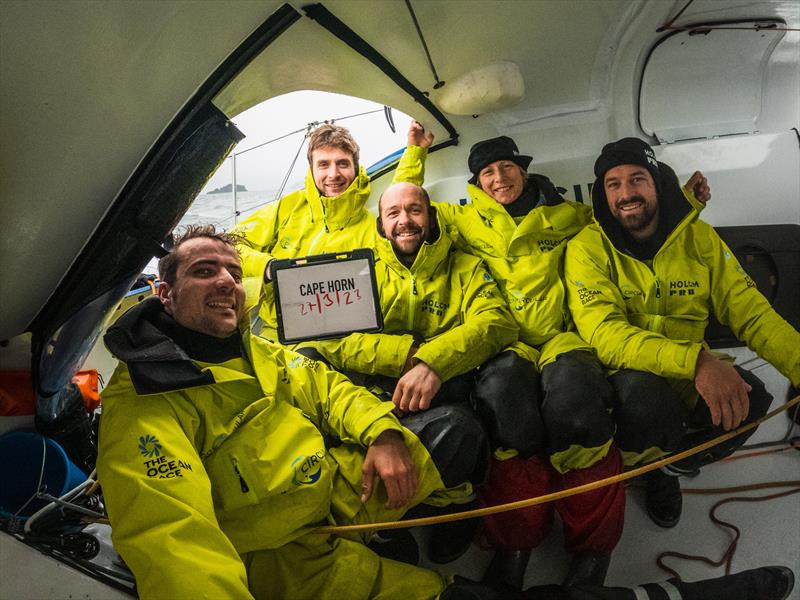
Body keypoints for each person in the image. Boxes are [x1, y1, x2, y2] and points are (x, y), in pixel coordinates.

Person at [96, 224, 795, 600]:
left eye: (228, 270)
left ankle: (433, 526)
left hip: (346, 492)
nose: (224, 282)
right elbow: (172, 540)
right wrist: (410, 353)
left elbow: (321, 383)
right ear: (163, 295)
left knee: (468, 427)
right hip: (287, 557)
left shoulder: (250, 347)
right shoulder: (147, 402)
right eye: (201, 272)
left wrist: (380, 431)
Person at [395, 123, 706, 586]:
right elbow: (407, 206)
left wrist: (687, 203)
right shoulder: (461, 219)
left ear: (522, 171)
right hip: (503, 342)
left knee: (577, 408)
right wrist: (413, 152)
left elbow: (628, 220)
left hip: (565, 336)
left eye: (507, 168)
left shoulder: (568, 215)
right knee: (504, 407)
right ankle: (516, 540)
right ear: (477, 183)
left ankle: (593, 547)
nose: (499, 178)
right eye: (487, 173)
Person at [564, 137, 800, 529]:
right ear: (602, 195)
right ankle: (638, 470)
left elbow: (753, 315)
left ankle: (667, 470)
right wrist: (696, 362)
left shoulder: (700, 239)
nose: (626, 194)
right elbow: (604, 333)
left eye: (637, 179)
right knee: (646, 401)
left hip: (688, 369)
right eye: (613, 184)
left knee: (751, 399)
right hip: (625, 374)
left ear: (658, 183)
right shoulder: (587, 249)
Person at [303, 181, 520, 563]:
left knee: (464, 422)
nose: (405, 220)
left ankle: (450, 502)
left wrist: (433, 363)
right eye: (394, 213)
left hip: (442, 392)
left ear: (431, 216)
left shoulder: (465, 267)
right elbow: (326, 339)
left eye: (415, 210)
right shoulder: (357, 271)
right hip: (376, 392)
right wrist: (403, 354)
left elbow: (497, 322)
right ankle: (384, 515)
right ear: (381, 225)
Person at [231, 123, 419, 338]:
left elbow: (405, 199)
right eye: (323, 164)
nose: (333, 174)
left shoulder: (373, 227)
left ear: (355, 168)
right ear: (312, 169)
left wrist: (415, 151)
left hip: (346, 339)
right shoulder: (288, 207)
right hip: (275, 333)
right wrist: (267, 266)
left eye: (342, 163)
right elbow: (230, 244)